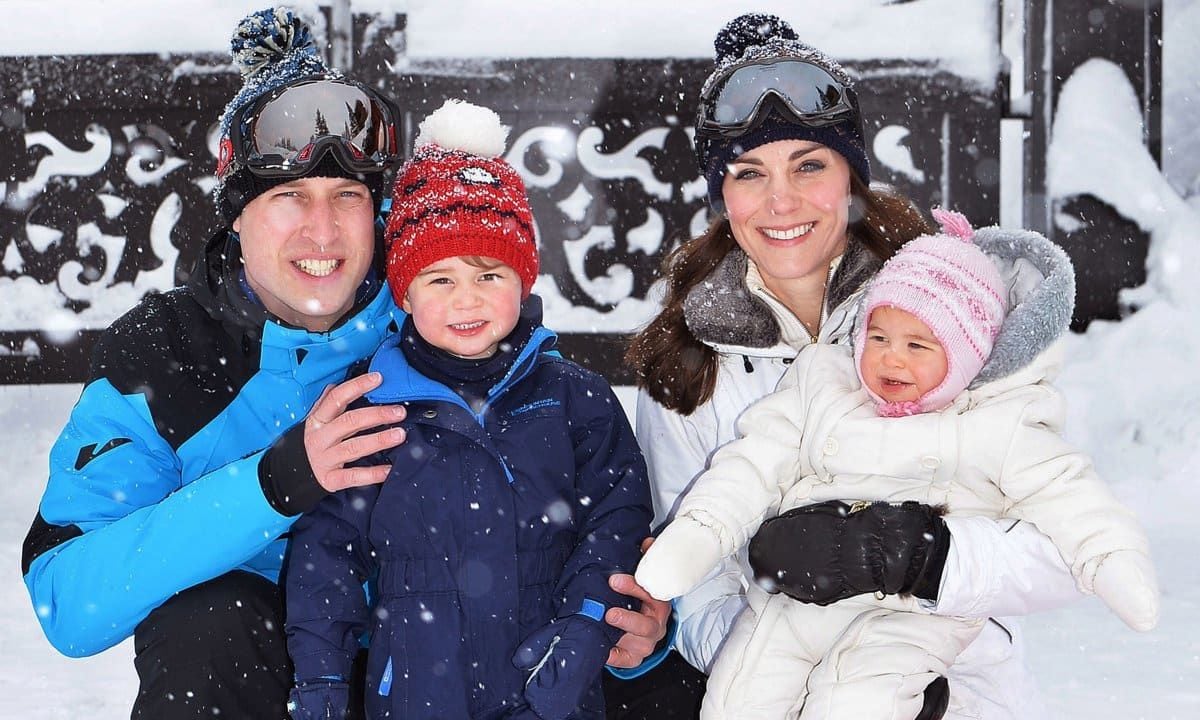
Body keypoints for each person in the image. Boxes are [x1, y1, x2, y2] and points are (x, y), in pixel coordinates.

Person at [20, 9, 666, 719]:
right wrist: (270, 486)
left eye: (347, 197)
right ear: (236, 213)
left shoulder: (442, 309)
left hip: (448, 665)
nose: (321, 230)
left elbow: (570, 492)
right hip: (272, 679)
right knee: (207, 624)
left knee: (663, 687)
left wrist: (637, 629)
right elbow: (68, 602)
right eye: (288, 197)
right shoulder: (164, 353)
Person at [625, 13, 1088, 720]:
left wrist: (912, 555)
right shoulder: (691, 364)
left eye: (808, 165)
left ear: (850, 176)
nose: (781, 202)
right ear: (723, 194)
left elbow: (1062, 550)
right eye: (750, 173)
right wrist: (792, 653)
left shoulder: (945, 313)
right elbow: (698, 591)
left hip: (956, 691)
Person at [635, 208, 1160, 719]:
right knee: (739, 695)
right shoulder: (827, 388)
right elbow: (751, 462)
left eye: (917, 345)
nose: (891, 358)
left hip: (913, 619)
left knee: (854, 701)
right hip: (800, 597)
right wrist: (702, 530)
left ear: (966, 354)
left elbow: (1068, 493)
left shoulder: (997, 422)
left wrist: (1111, 555)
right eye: (879, 338)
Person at [283, 99, 655, 720]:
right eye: (439, 279)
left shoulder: (574, 399)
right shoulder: (370, 404)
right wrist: (321, 680)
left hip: (549, 688)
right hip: (416, 695)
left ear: (524, 280)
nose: (467, 299)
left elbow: (617, 522)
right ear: (404, 291)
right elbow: (327, 555)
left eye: (489, 274)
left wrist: (587, 623)